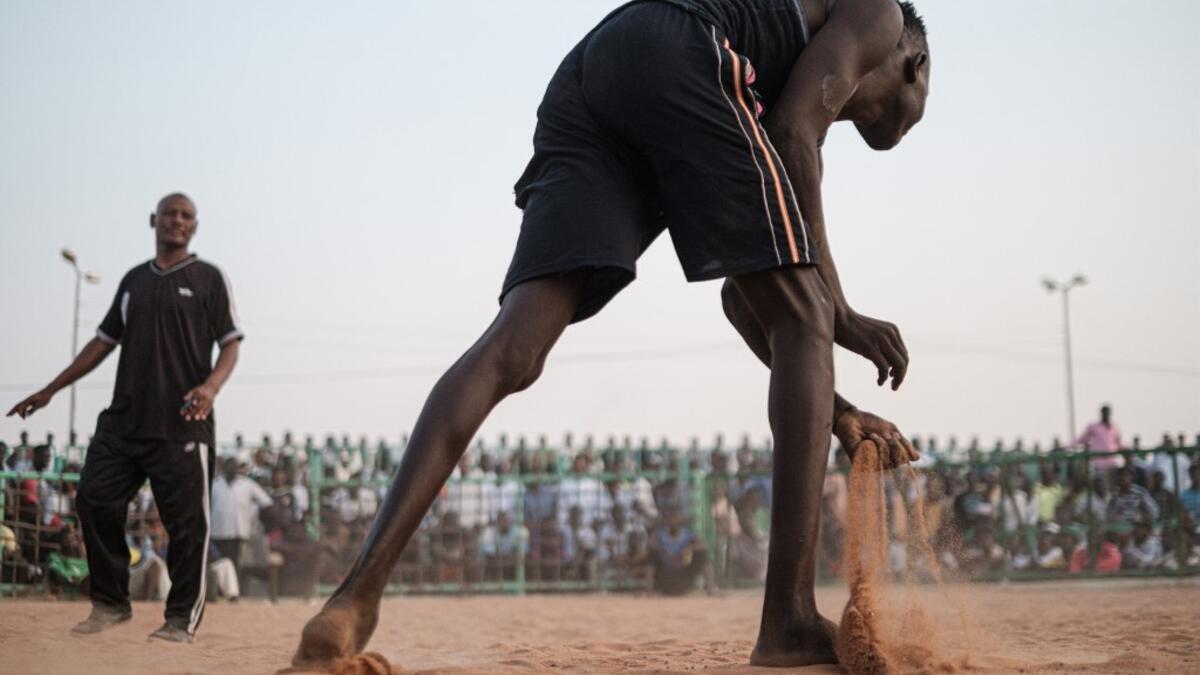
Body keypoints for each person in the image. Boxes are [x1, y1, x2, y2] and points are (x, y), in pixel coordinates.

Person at [293, 0, 929, 668]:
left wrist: (841, 414)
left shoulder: (762, 94)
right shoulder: (878, 13)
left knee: (513, 347)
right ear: (915, 65)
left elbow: (752, 305)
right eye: (904, 105)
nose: (873, 109)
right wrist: (842, 310)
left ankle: (353, 598)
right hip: (680, 45)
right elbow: (799, 134)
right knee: (809, 313)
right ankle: (790, 620)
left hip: (595, 76)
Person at [6, 193, 242, 643]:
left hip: (182, 424)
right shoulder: (134, 280)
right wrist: (51, 389)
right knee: (94, 498)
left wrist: (210, 388)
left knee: (188, 526)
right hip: (125, 421)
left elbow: (231, 343)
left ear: (195, 226)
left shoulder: (209, 278)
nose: (177, 221)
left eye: (186, 216)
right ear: (154, 220)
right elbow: (102, 342)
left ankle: (179, 622)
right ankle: (111, 604)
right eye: (169, 214)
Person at [210, 456, 274, 591]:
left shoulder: (247, 484)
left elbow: (266, 502)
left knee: (236, 563)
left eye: (234, 466)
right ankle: (219, 591)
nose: (231, 469)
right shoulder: (215, 485)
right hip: (217, 532)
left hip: (238, 532)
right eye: (228, 466)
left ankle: (235, 592)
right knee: (219, 563)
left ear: (237, 469)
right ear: (223, 468)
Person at [1074, 404, 1123, 472]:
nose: (1105, 414)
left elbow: (1119, 445)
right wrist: (1065, 446)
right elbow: (1081, 440)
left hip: (1112, 464)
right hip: (1098, 465)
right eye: (1104, 412)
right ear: (1101, 413)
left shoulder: (1114, 428)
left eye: (1107, 412)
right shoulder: (1093, 427)